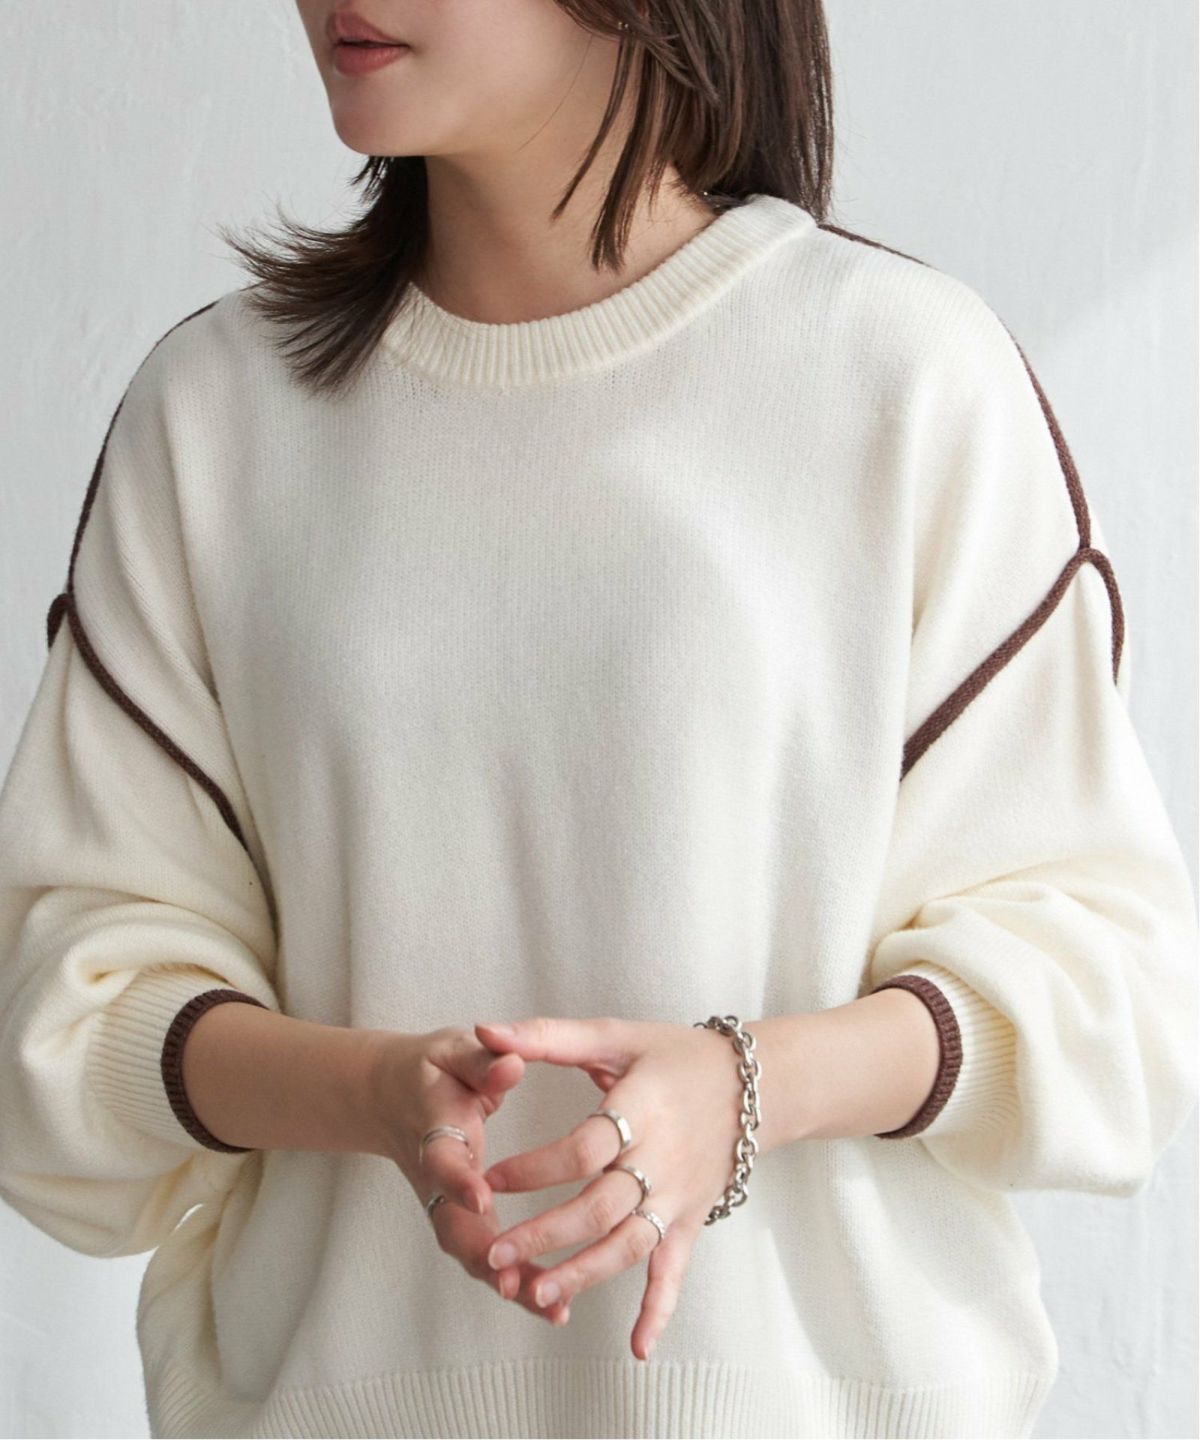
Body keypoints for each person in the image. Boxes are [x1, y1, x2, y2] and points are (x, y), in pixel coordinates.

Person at [0, 2, 1196, 1437]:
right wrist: (371, 1093)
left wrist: (745, 1090)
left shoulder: (902, 375)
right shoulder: (216, 416)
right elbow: (65, 1009)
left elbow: (1109, 993)